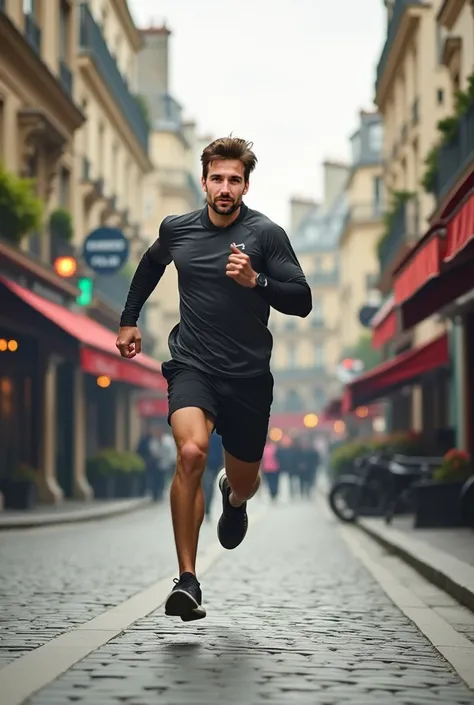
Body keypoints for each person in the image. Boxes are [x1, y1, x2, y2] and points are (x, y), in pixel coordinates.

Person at [116, 137, 312, 622]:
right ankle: (188, 579)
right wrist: (129, 318)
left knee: (245, 480)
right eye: (217, 178)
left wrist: (257, 282)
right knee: (190, 452)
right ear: (204, 181)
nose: (225, 188)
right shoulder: (178, 229)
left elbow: (302, 299)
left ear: (246, 185)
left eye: (234, 180)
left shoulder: (266, 235)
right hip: (193, 365)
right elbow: (150, 265)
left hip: (247, 377)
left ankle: (234, 495)